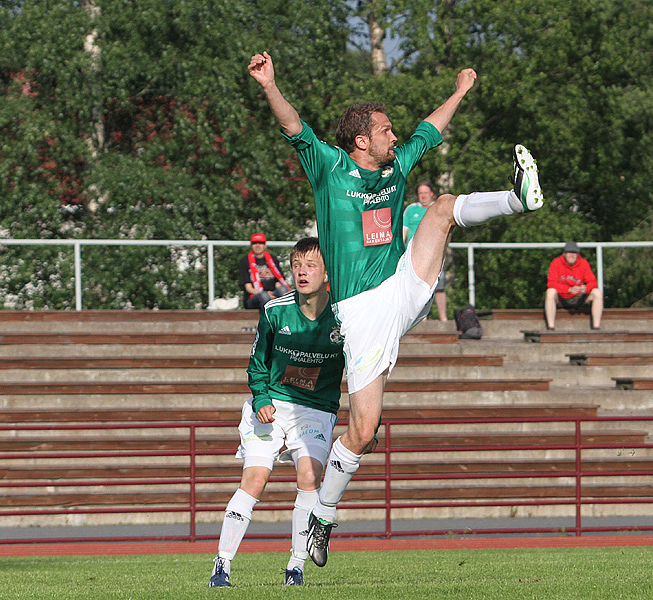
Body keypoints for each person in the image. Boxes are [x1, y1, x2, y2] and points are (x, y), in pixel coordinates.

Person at [248, 51, 543, 567]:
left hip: (399, 287)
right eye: (386, 130)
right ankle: (324, 516)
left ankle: (519, 198)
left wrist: (460, 91)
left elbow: (430, 130)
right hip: (361, 312)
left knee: (444, 207)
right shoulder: (331, 167)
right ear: (361, 139)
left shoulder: (396, 165)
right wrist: (270, 84)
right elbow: (295, 127)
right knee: (363, 431)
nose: (395, 137)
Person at [209, 237, 345, 587]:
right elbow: (256, 365)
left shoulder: (345, 318)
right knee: (255, 479)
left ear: (326, 271)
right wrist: (261, 398)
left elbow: (363, 372)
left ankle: (295, 567)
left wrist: (368, 423)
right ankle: (221, 566)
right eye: (297, 264)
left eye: (311, 265)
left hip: (315, 410)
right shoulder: (274, 311)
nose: (302, 271)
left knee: (310, 476)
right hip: (273, 402)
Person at [403, 180, 448, 321]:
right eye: (420, 193)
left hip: (435, 254)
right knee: (416, 288)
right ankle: (422, 319)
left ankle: (444, 319)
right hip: (414, 255)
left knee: (439, 287)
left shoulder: (438, 208)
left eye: (425, 193)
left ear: (432, 193)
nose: (423, 196)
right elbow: (403, 232)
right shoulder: (411, 209)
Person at [544, 241, 602, 330]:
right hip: (562, 297)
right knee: (550, 292)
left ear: (578, 254)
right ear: (564, 254)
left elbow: (593, 282)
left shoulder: (583, 263)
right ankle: (551, 327)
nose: (572, 255)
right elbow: (551, 283)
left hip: (579, 297)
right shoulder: (556, 263)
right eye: (569, 252)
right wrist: (568, 289)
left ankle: (596, 327)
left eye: (574, 252)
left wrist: (586, 288)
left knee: (597, 292)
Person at [237, 232, 290, 310]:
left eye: (261, 243)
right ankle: (267, 321)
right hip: (254, 296)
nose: (258, 245)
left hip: (272, 293)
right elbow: (248, 287)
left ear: (265, 245)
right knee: (264, 296)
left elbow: (278, 282)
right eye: (255, 243)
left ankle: (286, 319)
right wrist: (264, 294)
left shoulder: (273, 259)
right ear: (251, 245)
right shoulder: (245, 261)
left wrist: (280, 292)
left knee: (284, 290)